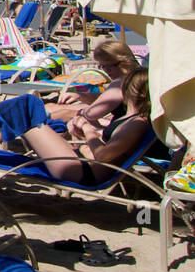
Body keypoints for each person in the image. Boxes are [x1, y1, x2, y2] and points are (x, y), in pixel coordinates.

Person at [22, 69, 163, 185]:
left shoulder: (137, 123)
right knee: (25, 110)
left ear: (128, 91)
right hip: (83, 162)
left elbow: (103, 156)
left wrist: (88, 129)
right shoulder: (133, 118)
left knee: (24, 113)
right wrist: (82, 138)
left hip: (85, 172)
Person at [45, 39, 139, 130]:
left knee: (67, 115)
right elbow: (107, 99)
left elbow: (92, 113)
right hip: (126, 126)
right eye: (102, 66)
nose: (106, 70)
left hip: (122, 130)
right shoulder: (137, 75)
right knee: (52, 107)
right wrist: (80, 96)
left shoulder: (122, 82)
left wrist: (79, 113)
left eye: (110, 65)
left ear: (124, 61)